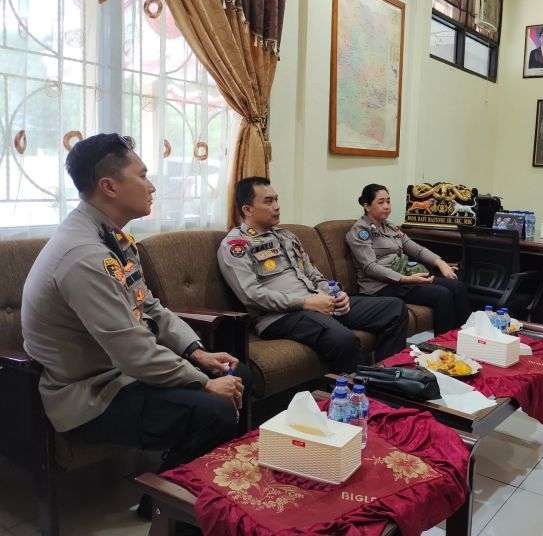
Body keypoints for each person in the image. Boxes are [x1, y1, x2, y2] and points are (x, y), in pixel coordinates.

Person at [22, 133, 249, 523]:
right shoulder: (84, 255)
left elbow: (150, 307)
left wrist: (197, 352)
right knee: (216, 409)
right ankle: (168, 510)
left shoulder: (113, 238)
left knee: (236, 371)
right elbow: (133, 351)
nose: (152, 185)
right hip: (91, 395)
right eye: (142, 175)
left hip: (123, 374)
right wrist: (201, 381)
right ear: (109, 186)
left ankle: (189, 490)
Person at [219, 177, 408, 372]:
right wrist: (305, 303)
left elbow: (313, 274)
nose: (276, 206)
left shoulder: (287, 236)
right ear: (247, 209)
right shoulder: (236, 245)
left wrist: (336, 293)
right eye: (268, 201)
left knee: (394, 309)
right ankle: (364, 388)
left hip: (318, 302)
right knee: (343, 339)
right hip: (281, 317)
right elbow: (251, 295)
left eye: (276, 199)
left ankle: (388, 375)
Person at [346, 184, 471, 335]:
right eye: (381, 202)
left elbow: (416, 249)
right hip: (381, 286)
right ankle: (442, 345)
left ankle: (465, 338)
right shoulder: (360, 231)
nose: (386, 206)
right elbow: (370, 267)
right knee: (442, 294)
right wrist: (405, 279)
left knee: (458, 286)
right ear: (367, 206)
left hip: (405, 276)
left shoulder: (390, 227)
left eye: (388, 201)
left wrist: (440, 263)